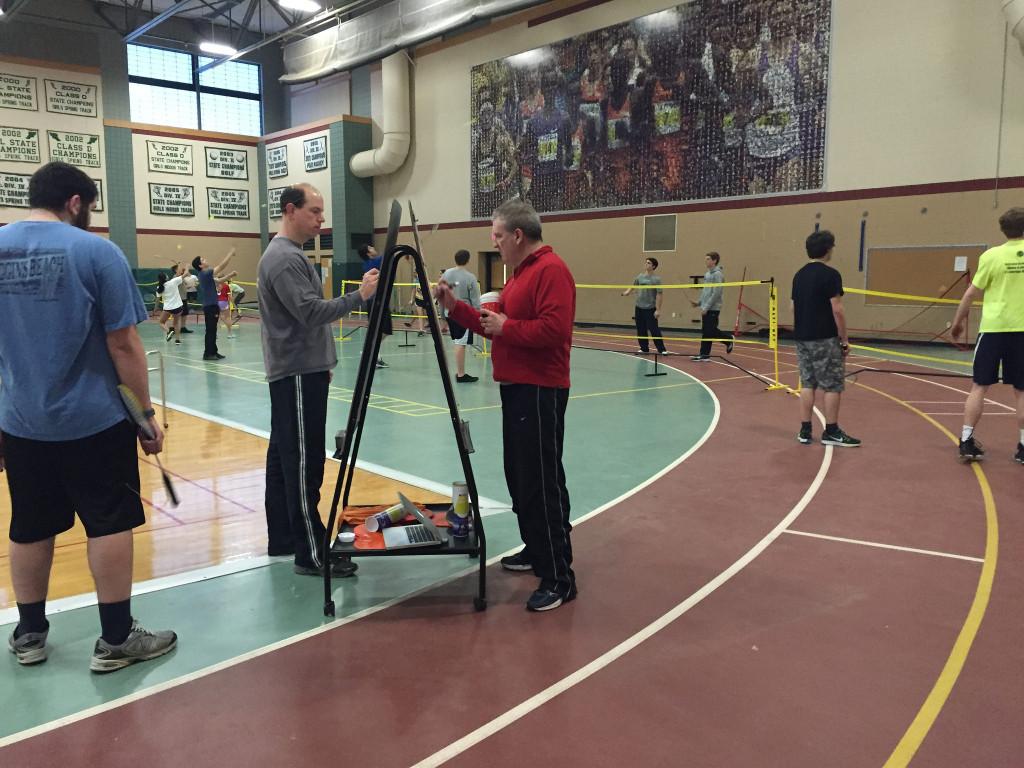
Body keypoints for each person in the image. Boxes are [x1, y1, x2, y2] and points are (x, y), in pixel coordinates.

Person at [0, 162, 176, 672]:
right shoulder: (97, 252)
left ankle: (30, 633)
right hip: (93, 422)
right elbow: (123, 343)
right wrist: (144, 416)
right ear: (76, 202)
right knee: (109, 523)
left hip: (21, 422)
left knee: (30, 526)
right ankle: (117, 638)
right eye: (91, 207)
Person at [434, 199, 577, 612]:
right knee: (521, 476)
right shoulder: (519, 276)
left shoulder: (551, 270)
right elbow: (488, 321)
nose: (494, 243)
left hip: (540, 389)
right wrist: (452, 306)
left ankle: (559, 577)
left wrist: (507, 327)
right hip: (517, 388)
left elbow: (554, 329)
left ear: (517, 235)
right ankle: (537, 548)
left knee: (541, 480)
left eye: (497, 236)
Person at [258, 183, 379, 577]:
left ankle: (285, 537)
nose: (321, 220)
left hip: (302, 369)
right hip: (295, 374)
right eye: (315, 211)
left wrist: (322, 358)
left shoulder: (292, 256)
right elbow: (311, 313)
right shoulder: (283, 259)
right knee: (303, 462)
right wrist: (360, 295)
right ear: (291, 210)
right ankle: (310, 552)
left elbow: (305, 319)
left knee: (283, 456)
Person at [950, 207, 1024, 463]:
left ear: (1004, 229)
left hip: (993, 330)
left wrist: (957, 324)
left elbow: (971, 293)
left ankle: (967, 440)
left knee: (979, 386)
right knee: (1022, 391)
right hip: (1021, 331)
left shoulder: (991, 256)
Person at [791, 230, 860, 447]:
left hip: (802, 337)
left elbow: (793, 306)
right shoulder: (831, 275)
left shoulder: (799, 275)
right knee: (832, 385)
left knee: (807, 383)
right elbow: (837, 309)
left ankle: (805, 429)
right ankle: (831, 431)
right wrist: (844, 339)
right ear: (828, 249)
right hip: (824, 338)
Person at [441, 249, 482, 382]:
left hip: (449, 313)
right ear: (468, 260)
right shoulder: (470, 277)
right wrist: (477, 316)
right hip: (463, 314)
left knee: (457, 342)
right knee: (460, 343)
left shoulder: (446, 274)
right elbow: (475, 299)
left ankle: (460, 372)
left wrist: (442, 316)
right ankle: (460, 374)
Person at [191, 248, 235, 361]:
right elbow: (221, 266)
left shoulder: (205, 275)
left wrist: (230, 275)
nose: (205, 260)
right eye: (203, 260)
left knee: (213, 330)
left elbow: (218, 281)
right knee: (211, 330)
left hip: (212, 305)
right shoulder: (205, 273)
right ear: (200, 265)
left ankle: (213, 351)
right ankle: (208, 354)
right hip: (210, 306)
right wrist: (229, 254)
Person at [690, 251, 734, 360]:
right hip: (705, 307)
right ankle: (704, 355)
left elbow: (716, 293)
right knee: (706, 332)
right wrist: (699, 303)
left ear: (714, 261)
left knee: (710, 331)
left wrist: (707, 307)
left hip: (713, 308)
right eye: (706, 259)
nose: (706, 261)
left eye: (708, 259)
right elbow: (705, 291)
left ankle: (728, 339)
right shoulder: (707, 274)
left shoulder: (718, 274)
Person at [622, 257, 669, 355]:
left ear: (653, 266)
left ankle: (662, 349)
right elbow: (633, 286)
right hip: (639, 307)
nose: (646, 264)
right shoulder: (640, 277)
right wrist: (627, 292)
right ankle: (644, 348)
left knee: (654, 330)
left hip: (650, 308)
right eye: (646, 262)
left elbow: (659, 295)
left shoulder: (657, 279)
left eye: (649, 263)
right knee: (640, 329)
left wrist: (658, 310)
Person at [357, 244, 390, 368]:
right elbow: (388, 255)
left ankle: (372, 353)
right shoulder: (373, 262)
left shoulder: (369, 263)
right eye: (371, 248)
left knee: (383, 330)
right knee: (383, 330)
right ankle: (369, 352)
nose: (373, 248)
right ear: (368, 253)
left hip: (378, 300)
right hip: (376, 301)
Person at [157, 263, 187, 344]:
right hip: (178, 307)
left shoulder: (159, 288)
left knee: (161, 322)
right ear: (166, 277)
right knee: (176, 323)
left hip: (168, 308)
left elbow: (157, 299)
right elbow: (185, 274)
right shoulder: (173, 281)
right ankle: (177, 340)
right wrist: (187, 266)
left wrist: (155, 308)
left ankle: (168, 331)